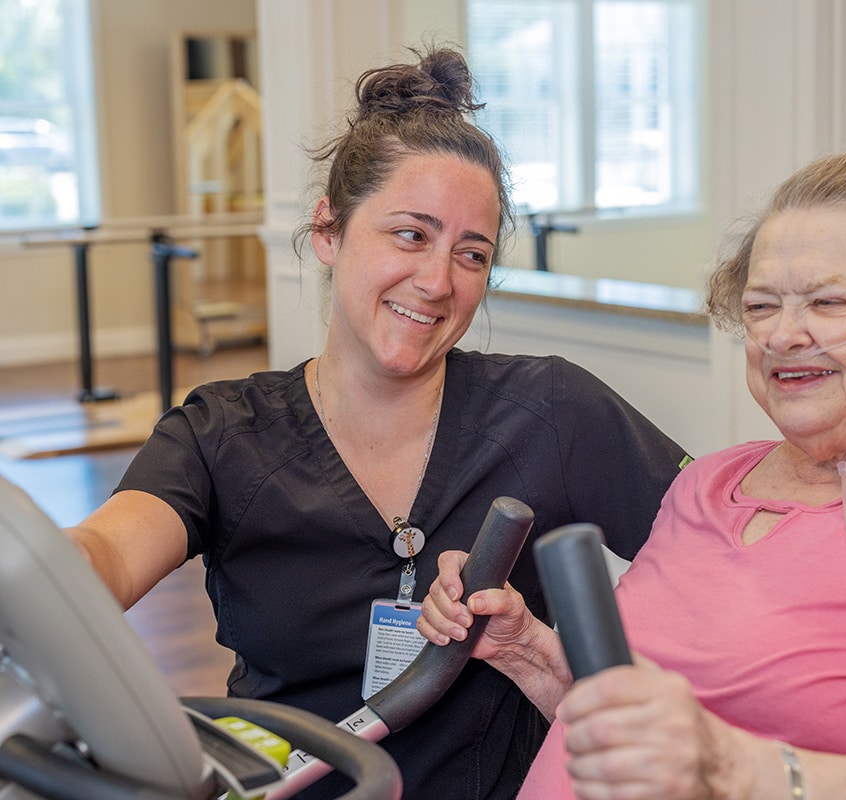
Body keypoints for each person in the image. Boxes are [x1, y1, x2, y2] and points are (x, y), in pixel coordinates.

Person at [67, 47, 688, 799]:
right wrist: (35, 579)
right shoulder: (225, 433)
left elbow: (717, 546)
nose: (437, 281)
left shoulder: (551, 411)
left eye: (472, 253)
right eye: (410, 235)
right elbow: (102, 552)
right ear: (329, 231)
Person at [419, 151, 846, 799]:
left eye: (830, 303)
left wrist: (729, 766)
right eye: (761, 307)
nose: (783, 335)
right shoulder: (710, 486)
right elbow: (641, 730)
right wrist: (531, 654)